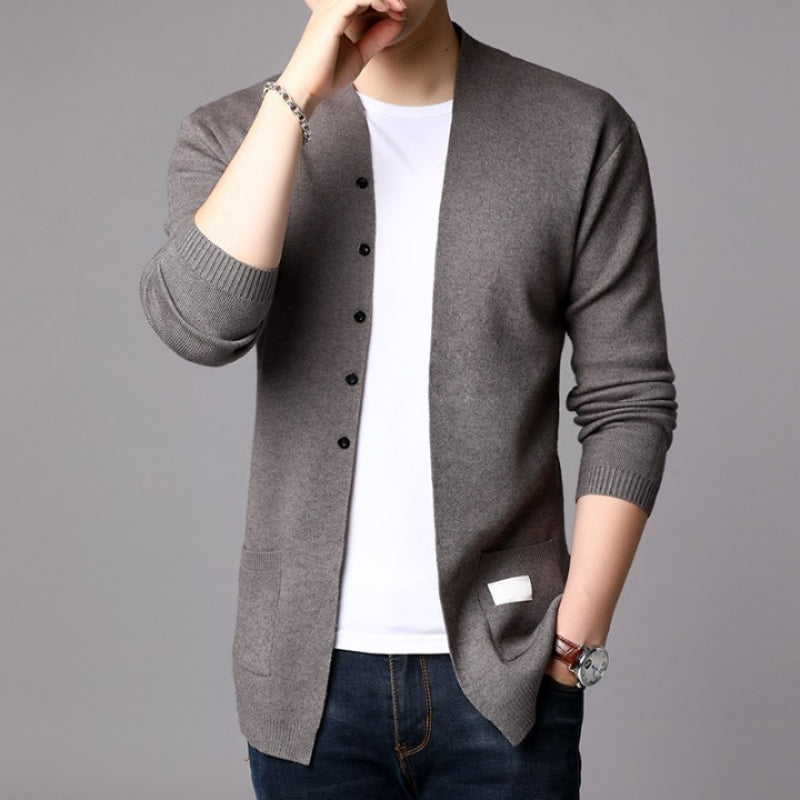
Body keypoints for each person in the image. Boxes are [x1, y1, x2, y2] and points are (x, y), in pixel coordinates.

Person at [139, 0, 678, 797]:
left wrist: (574, 642)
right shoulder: (231, 134)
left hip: (509, 672)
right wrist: (297, 91)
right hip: (303, 683)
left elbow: (629, 397)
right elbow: (202, 326)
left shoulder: (579, 130)